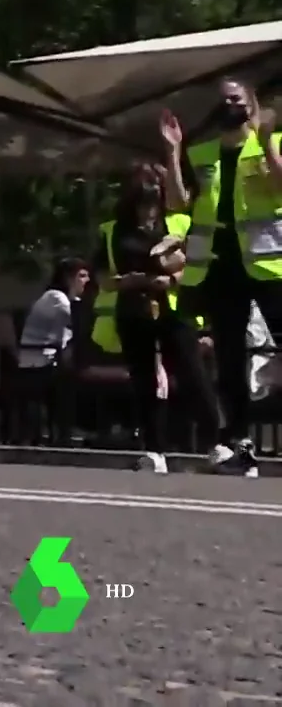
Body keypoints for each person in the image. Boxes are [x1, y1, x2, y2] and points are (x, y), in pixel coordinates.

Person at [161, 78, 282, 476]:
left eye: (236, 99)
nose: (228, 105)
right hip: (220, 266)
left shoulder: (273, 142)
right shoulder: (202, 154)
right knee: (229, 358)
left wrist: (266, 142)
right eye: (222, 100)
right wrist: (174, 151)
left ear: (252, 104)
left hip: (269, 266)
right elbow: (179, 203)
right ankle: (239, 442)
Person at [93, 163, 225, 474]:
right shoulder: (112, 230)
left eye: (152, 202)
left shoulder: (177, 222)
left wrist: (173, 280)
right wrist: (124, 281)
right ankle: (154, 450)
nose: (147, 211)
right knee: (144, 382)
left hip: (172, 309)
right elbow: (102, 274)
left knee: (193, 374)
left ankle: (215, 443)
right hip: (133, 308)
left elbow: (197, 263)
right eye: (141, 203)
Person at [18, 257, 90, 371]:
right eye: (82, 276)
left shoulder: (66, 298)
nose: (88, 280)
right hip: (40, 363)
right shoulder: (55, 298)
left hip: (50, 358)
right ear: (68, 278)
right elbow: (78, 323)